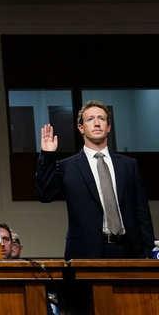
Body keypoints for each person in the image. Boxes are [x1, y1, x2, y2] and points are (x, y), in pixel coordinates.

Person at [36, 100, 155, 259]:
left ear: (109, 127)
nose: (97, 123)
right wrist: (47, 155)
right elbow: (45, 195)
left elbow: (142, 211)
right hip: (85, 251)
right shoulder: (67, 166)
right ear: (81, 128)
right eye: (90, 119)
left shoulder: (128, 165)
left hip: (129, 249)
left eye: (102, 119)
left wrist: (148, 251)